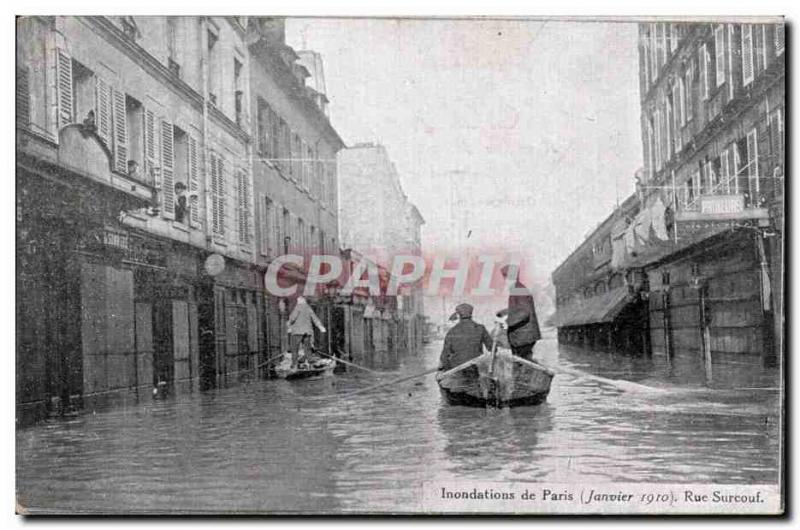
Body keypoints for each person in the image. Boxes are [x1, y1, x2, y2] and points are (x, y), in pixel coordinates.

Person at [497, 264, 541, 361]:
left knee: (522, 364)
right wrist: (503, 312)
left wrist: (506, 322)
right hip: (524, 336)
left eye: (506, 278)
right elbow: (518, 309)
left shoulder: (518, 290)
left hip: (523, 337)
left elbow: (524, 312)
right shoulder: (518, 289)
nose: (505, 281)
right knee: (523, 362)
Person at [438, 303, 492, 372]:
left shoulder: (452, 331)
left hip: (457, 370)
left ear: (459, 315)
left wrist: (442, 369)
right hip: (476, 368)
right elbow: (492, 348)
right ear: (471, 314)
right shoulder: (480, 328)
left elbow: (444, 355)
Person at [287, 296, 326, 368]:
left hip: (297, 332)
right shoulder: (308, 308)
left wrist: (289, 324)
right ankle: (311, 364)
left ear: (300, 300)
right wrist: (321, 327)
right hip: (307, 332)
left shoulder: (298, 307)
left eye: (298, 300)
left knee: (295, 348)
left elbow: (293, 318)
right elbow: (315, 318)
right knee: (307, 349)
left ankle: (294, 365)